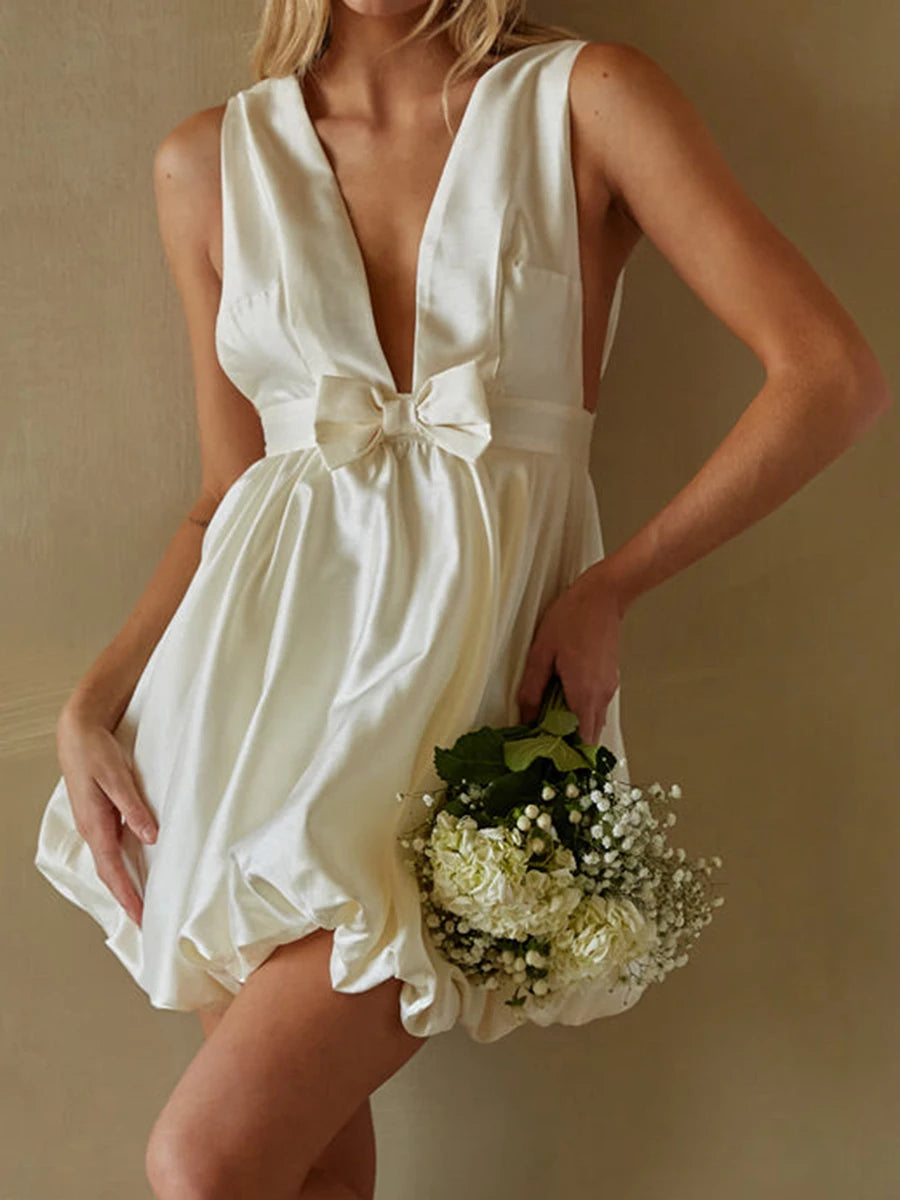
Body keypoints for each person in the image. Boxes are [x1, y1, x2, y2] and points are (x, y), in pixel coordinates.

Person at [34, 0, 891, 1196]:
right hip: (237, 716)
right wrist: (96, 698)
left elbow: (829, 376)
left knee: (204, 1163)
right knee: (309, 1179)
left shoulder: (585, 99)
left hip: (459, 711)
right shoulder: (206, 159)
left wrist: (610, 590)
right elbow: (225, 493)